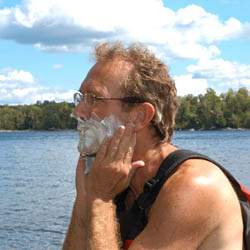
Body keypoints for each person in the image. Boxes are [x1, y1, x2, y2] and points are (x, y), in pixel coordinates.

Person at [62, 42, 247, 250]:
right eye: (79, 98)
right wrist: (85, 196)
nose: (78, 111)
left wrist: (100, 199)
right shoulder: (118, 180)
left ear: (140, 116)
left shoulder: (195, 185)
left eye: (93, 98)